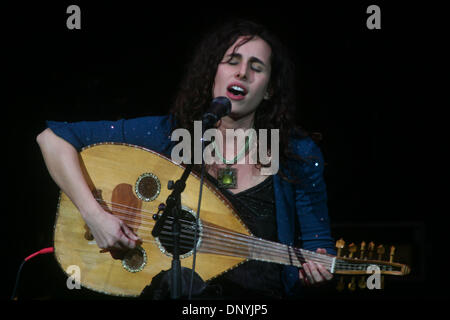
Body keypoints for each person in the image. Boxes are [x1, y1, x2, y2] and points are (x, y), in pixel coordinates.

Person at [37, 19, 335, 299]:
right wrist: (95, 216)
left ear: (269, 89)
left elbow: (316, 250)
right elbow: (52, 139)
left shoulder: (295, 153)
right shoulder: (174, 134)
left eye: (256, 67)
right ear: (212, 74)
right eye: (232, 61)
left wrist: (313, 273)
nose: (242, 72)